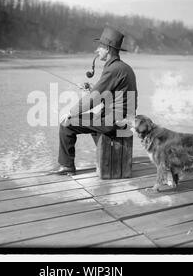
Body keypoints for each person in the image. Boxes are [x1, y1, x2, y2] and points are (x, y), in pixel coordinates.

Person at [54, 26, 138, 175]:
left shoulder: (113, 69)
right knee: (94, 120)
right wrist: (92, 88)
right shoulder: (123, 68)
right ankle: (104, 159)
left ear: (108, 48)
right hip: (122, 119)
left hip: (113, 122)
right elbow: (111, 93)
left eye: (100, 46)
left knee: (66, 124)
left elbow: (94, 98)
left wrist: (70, 112)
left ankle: (67, 166)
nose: (97, 50)